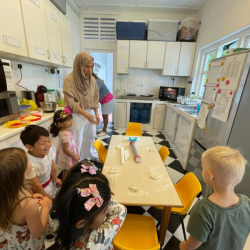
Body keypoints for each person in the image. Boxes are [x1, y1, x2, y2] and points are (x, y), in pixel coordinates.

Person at [179, 146, 250, 250]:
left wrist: (183, 246)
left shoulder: (203, 208)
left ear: (210, 175)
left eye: (202, 168)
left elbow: (193, 244)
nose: (202, 170)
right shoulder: (247, 201)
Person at [53, 161, 127, 250]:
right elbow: (121, 210)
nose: (107, 210)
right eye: (104, 210)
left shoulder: (67, 222)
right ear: (82, 223)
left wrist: (100, 197)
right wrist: (105, 196)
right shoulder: (94, 241)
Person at [0, 147, 54, 249]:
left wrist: (31, 197)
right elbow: (37, 232)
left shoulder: (6, 191)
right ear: (24, 175)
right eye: (28, 160)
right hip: (26, 244)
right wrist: (45, 207)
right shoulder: (28, 204)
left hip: (9, 240)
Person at [63, 52, 100, 161]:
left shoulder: (92, 80)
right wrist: (87, 115)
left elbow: (94, 98)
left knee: (90, 136)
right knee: (77, 140)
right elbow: (71, 103)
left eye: (91, 67)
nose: (89, 70)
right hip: (76, 114)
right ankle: (77, 162)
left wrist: (96, 114)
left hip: (90, 112)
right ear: (79, 65)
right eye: (86, 67)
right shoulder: (69, 79)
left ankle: (89, 156)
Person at [20, 125, 62, 199]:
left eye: (49, 141)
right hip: (40, 190)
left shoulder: (48, 150)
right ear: (30, 147)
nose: (48, 145)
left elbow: (53, 165)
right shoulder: (29, 163)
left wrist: (55, 178)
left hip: (50, 182)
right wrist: (47, 196)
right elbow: (35, 185)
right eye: (43, 143)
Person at [49, 107, 80, 181]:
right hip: (67, 156)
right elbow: (65, 149)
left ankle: (67, 182)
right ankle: (65, 185)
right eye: (68, 121)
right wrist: (74, 156)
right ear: (60, 124)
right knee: (66, 171)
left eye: (71, 119)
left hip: (66, 154)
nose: (71, 122)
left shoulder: (64, 130)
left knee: (66, 171)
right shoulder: (65, 134)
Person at [92, 73, 115, 137]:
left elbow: (95, 93)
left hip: (108, 100)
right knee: (104, 115)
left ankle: (104, 131)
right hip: (105, 100)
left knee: (105, 115)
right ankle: (103, 129)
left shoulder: (97, 81)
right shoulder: (95, 82)